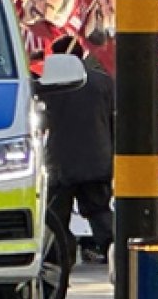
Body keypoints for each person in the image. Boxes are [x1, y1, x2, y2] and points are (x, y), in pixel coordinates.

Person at [41, 38, 114, 265]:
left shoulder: (47, 86)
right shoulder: (103, 83)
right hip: (97, 160)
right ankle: (115, 253)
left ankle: (62, 258)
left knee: (56, 217)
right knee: (99, 211)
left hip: (60, 163)